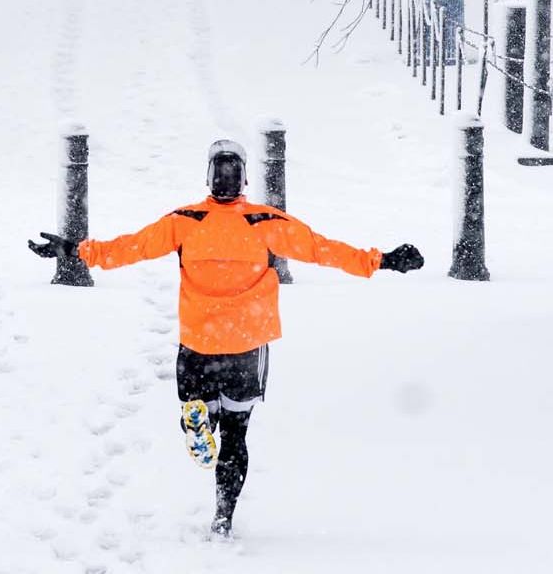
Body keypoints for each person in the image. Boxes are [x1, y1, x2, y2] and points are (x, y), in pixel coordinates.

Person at [27, 139, 423, 537]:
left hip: (198, 342)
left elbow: (131, 248)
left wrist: (75, 251)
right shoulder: (265, 221)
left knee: (198, 410)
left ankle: (200, 418)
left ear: (209, 178)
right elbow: (322, 250)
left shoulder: (186, 219)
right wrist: (382, 259)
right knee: (237, 434)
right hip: (246, 344)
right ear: (244, 180)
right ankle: (223, 516)